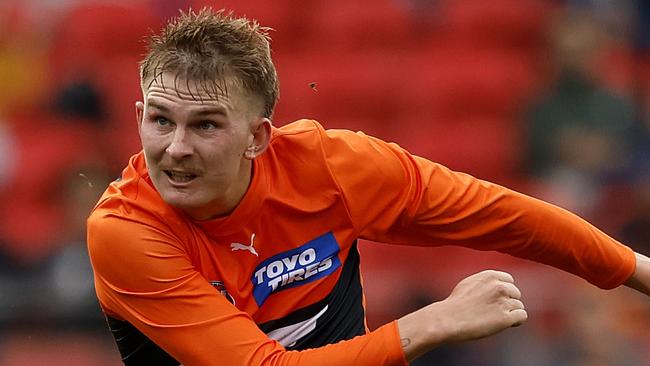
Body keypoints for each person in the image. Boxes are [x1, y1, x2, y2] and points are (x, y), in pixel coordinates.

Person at [86, 8, 650, 365]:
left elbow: (501, 215)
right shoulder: (125, 232)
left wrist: (638, 273)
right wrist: (428, 325)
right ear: (138, 114)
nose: (175, 147)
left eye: (205, 124)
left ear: (258, 137)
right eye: (160, 120)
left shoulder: (332, 167)